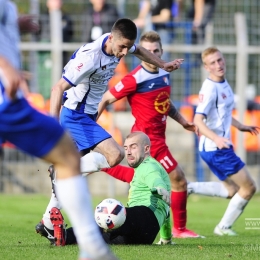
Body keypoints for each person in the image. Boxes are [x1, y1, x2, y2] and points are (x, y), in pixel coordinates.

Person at [35, 18, 184, 242]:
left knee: (73, 180)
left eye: (127, 47)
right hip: (75, 115)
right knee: (116, 155)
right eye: (122, 46)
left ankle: (48, 223)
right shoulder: (90, 58)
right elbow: (57, 89)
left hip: (87, 116)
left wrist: (163, 64)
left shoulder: (118, 45)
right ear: (111, 37)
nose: (124, 53)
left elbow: (140, 50)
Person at [0, 1, 118, 259]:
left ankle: (68, 232)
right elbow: (58, 88)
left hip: (11, 100)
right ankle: (92, 248)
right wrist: (8, 69)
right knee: (67, 157)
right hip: (7, 101)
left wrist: (15, 25)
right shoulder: (92, 55)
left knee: (66, 158)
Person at [98, 30, 202, 238]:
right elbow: (105, 99)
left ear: (161, 51)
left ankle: (99, 165)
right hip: (146, 141)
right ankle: (178, 230)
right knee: (178, 180)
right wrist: (92, 125)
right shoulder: (134, 78)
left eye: (155, 50)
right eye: (147, 50)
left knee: (141, 181)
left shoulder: (164, 73)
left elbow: (164, 102)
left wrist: (183, 122)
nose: (151, 54)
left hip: (158, 139)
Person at [50, 132, 173, 246]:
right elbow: (166, 213)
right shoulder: (144, 169)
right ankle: (64, 237)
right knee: (97, 237)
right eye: (126, 148)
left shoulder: (149, 166)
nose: (128, 152)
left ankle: (62, 233)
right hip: (144, 235)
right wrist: (166, 239)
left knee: (110, 209)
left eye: (133, 147)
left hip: (143, 217)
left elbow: (154, 179)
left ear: (146, 149)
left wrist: (159, 187)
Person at [191, 47, 259, 235]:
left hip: (216, 147)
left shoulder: (223, 83)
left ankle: (189, 187)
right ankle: (223, 227)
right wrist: (216, 138)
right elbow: (197, 120)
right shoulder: (210, 88)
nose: (218, 65)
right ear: (206, 67)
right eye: (213, 63)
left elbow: (224, 114)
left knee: (232, 190)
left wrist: (240, 126)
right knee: (249, 188)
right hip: (216, 148)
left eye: (220, 60)